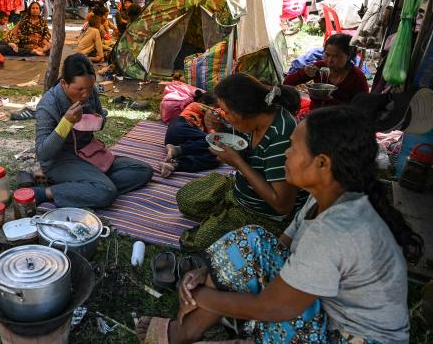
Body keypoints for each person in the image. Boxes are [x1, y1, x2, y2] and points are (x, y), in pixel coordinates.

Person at [137, 106, 423, 344]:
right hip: (327, 314)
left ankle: (183, 331)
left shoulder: (338, 229)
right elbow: (274, 249)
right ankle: (187, 331)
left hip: (352, 338)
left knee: (260, 274)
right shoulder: (324, 199)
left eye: (293, 148)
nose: (286, 153)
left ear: (322, 164)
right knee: (252, 239)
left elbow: (274, 307)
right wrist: (210, 271)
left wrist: (201, 296)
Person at [176, 73, 306, 251]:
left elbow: (282, 205)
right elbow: (244, 150)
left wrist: (238, 163)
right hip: (240, 189)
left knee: (201, 241)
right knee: (185, 198)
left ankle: (229, 218)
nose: (224, 115)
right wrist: (222, 127)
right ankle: (226, 212)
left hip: (266, 215)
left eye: (227, 112)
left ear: (243, 111)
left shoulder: (282, 135)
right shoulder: (254, 119)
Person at [33, 54, 154, 208]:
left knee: (143, 171)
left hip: (89, 152)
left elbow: (100, 115)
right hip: (60, 160)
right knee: (106, 191)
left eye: (90, 88)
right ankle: (46, 193)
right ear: (64, 83)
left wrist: (100, 120)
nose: (86, 94)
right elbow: (43, 153)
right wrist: (66, 122)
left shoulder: (90, 92)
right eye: (80, 89)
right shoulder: (48, 105)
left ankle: (90, 187)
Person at [284, 34, 368, 110]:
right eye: (327, 55)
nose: (329, 60)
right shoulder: (318, 67)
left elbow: (362, 107)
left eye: (336, 56)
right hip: (315, 114)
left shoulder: (357, 78)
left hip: (342, 119)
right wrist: (303, 73)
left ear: (348, 56)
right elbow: (287, 83)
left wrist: (335, 102)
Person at [159, 90, 224, 178]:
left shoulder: (201, 128)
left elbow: (206, 138)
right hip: (181, 126)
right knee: (216, 143)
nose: (217, 109)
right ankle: (178, 150)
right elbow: (215, 114)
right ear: (203, 103)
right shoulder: (194, 105)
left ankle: (175, 164)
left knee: (215, 157)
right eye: (216, 107)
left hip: (182, 142)